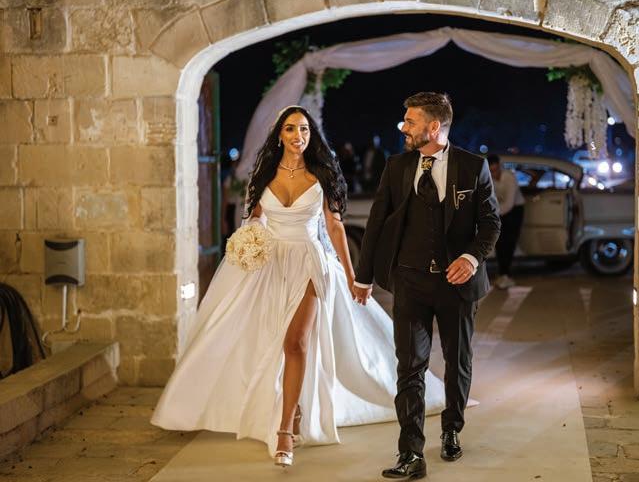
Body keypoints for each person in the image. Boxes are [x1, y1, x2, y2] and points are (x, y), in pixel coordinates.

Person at [151, 106, 445, 468]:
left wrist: (353, 276)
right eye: (291, 129)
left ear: (310, 135)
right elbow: (253, 220)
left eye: (304, 129)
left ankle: (285, 430)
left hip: (309, 261)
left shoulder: (321, 174)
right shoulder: (263, 175)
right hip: (271, 267)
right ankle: (290, 407)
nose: (298, 136)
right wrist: (249, 243)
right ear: (280, 134)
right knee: (270, 341)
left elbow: (335, 228)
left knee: (296, 341)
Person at [352, 92, 500, 479]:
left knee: (457, 361)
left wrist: (471, 258)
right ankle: (411, 453)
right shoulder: (397, 167)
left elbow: (490, 223)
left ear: (434, 127)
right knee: (409, 367)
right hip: (410, 281)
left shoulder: (473, 166)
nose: (404, 127)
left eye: (411, 121)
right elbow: (376, 223)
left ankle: (452, 428)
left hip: (457, 284)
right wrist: (363, 276)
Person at [487, 154, 525, 289]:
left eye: (496, 170)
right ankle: (502, 274)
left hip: (515, 210)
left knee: (509, 242)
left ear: (500, 167)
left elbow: (509, 202)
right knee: (499, 242)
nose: (494, 173)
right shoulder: (488, 178)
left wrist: (493, 214)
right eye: (491, 171)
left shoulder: (509, 177)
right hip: (499, 210)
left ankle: (506, 274)